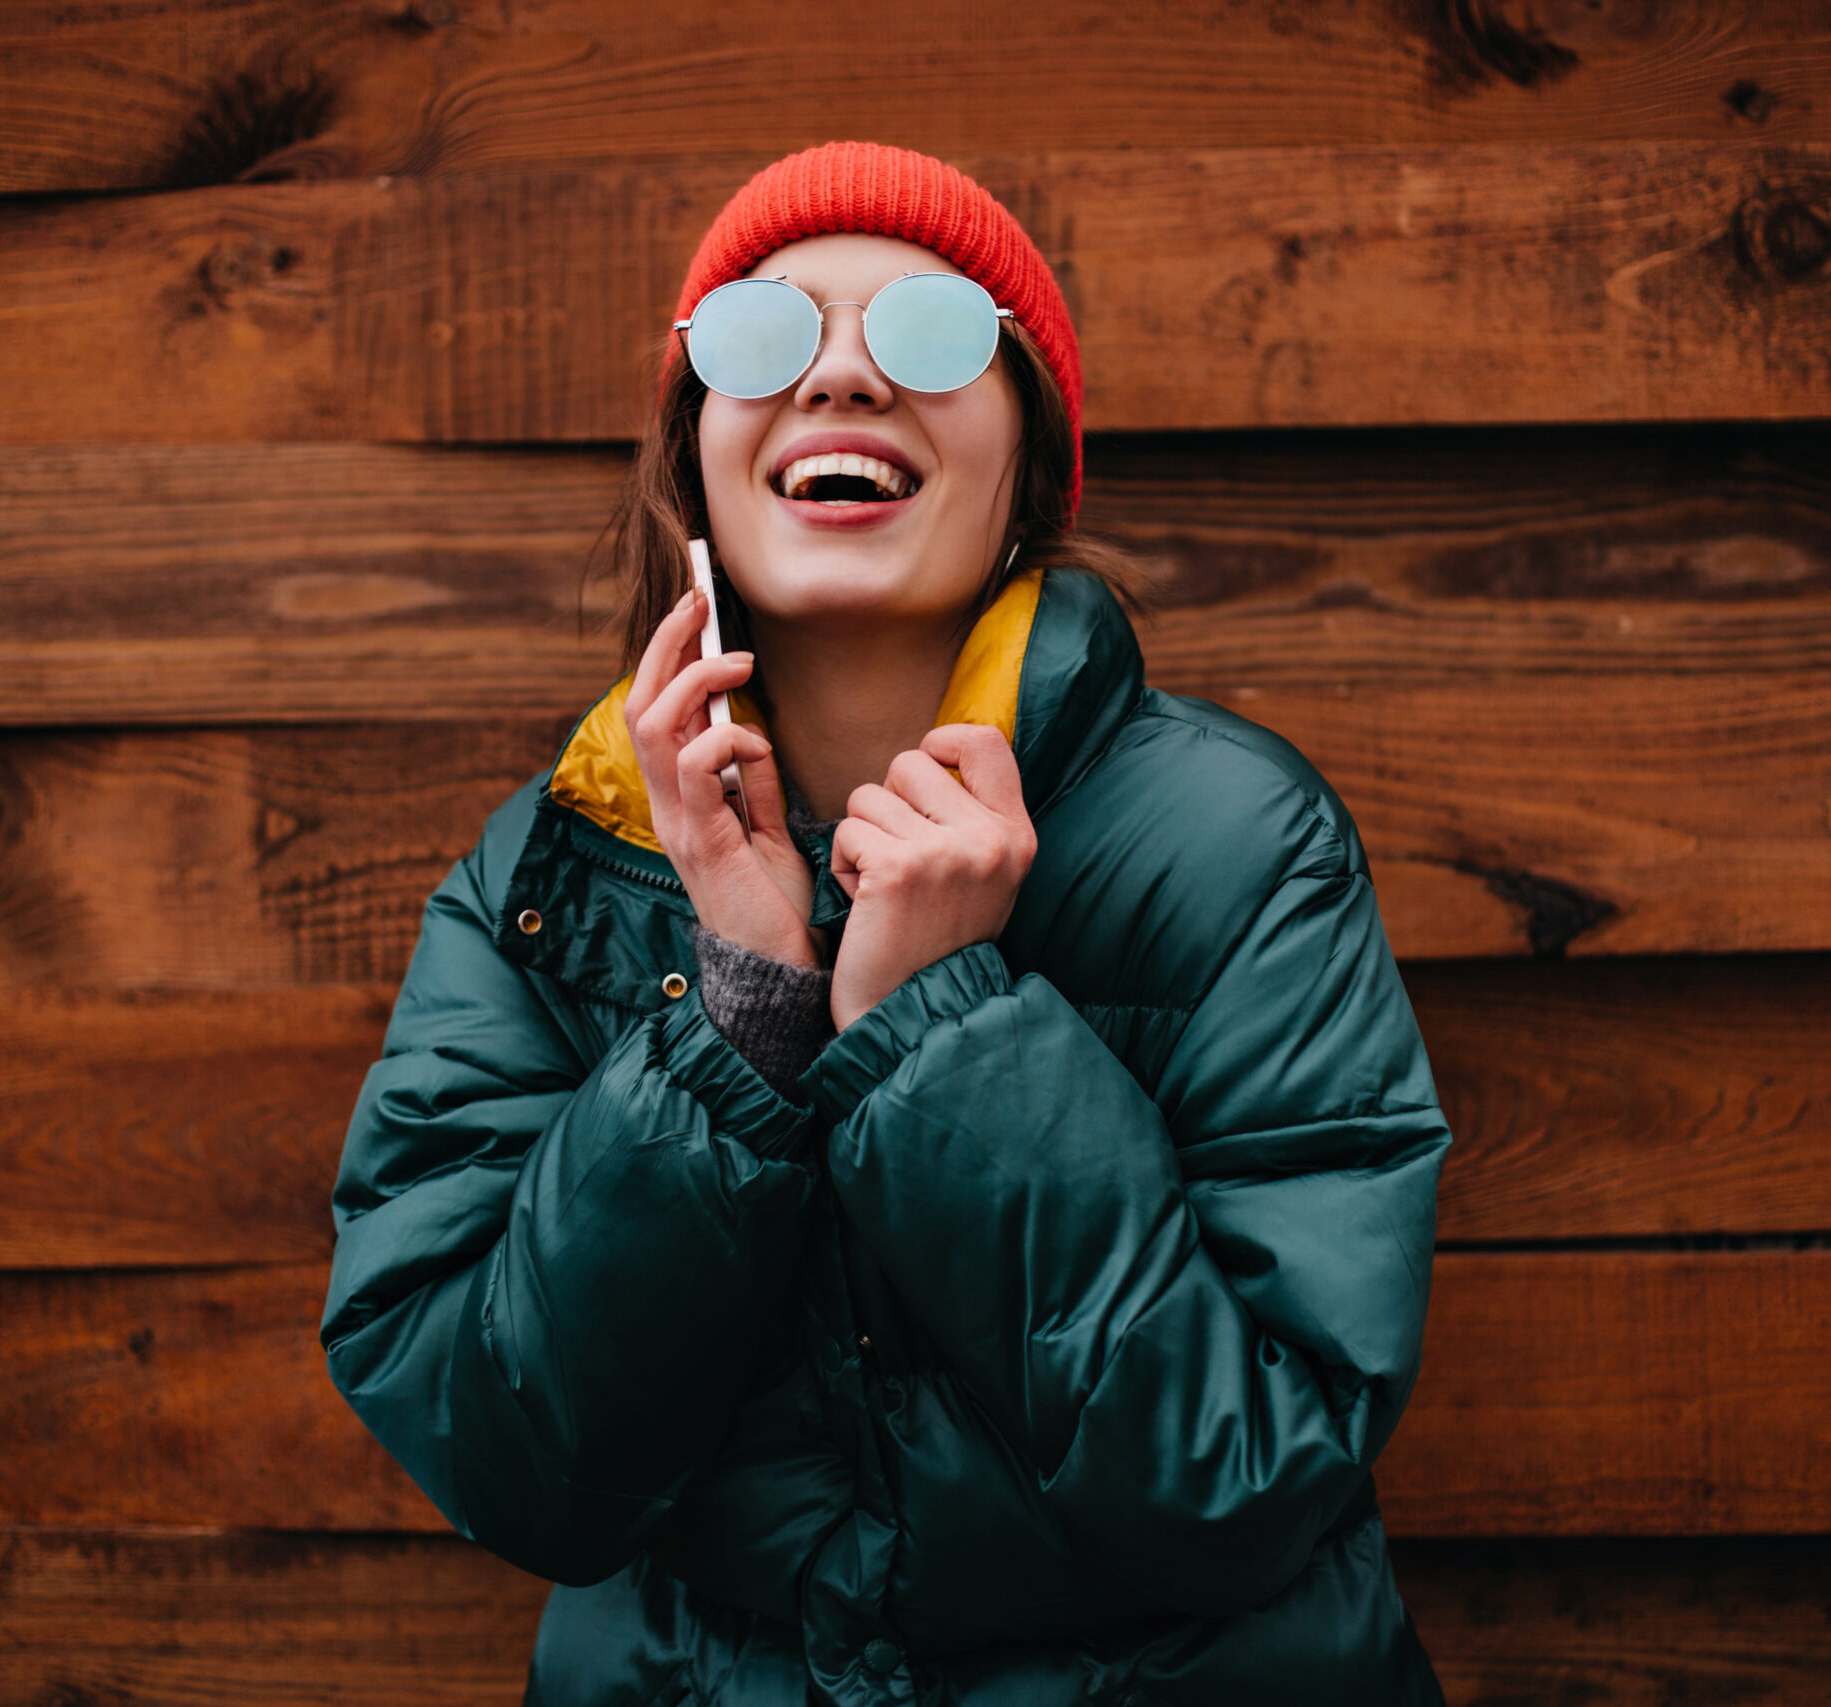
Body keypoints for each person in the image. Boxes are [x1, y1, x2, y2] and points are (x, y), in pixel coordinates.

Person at [323, 141, 1451, 1705]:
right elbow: (517, 1466)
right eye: (760, 337)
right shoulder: (545, 874)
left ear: (1026, 468)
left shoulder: (1238, 846)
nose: (841, 374)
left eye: (931, 337)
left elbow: (1246, 1477)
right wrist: (736, 1020)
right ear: (696, 450)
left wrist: (946, 1030)